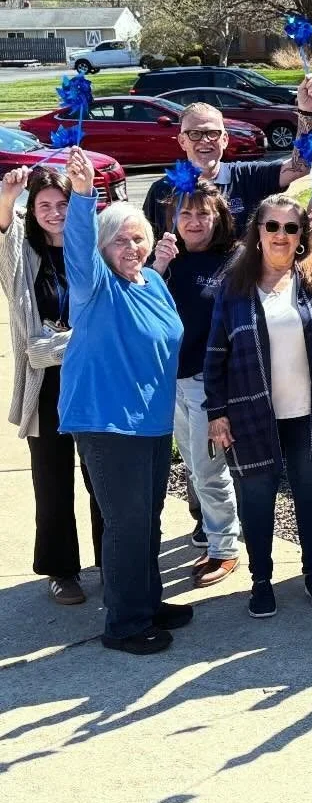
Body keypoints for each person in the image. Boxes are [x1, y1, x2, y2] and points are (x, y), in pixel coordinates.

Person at [205, 195, 312, 619]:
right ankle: (261, 580)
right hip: (251, 413)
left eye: (291, 228)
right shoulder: (234, 288)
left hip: (308, 413)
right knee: (257, 498)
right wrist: (215, 412)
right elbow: (216, 352)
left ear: (301, 236)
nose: (281, 235)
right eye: (272, 226)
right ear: (258, 232)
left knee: (311, 495)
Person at [60, 148, 186, 654]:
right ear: (102, 245)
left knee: (147, 521)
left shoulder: (152, 281)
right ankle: (124, 624)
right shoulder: (95, 287)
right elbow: (77, 250)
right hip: (108, 423)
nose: (131, 247)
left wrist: (156, 261)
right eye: (120, 239)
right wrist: (84, 195)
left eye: (139, 238)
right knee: (126, 524)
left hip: (152, 424)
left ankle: (148, 601)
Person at [0, 166, 103, 607]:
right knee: (52, 482)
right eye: (44, 205)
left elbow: (99, 323)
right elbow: (34, 352)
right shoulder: (24, 257)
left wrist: (53, 343)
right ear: (32, 210)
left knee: (102, 478)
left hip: (97, 385)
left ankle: (114, 562)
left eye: (63, 204)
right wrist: (6, 199)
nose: (55, 213)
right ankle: (62, 571)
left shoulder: (93, 249)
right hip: (46, 390)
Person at [149, 180, 241, 589]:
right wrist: (157, 269)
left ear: (218, 217)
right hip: (173, 382)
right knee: (194, 468)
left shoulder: (234, 262)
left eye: (203, 213)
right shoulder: (167, 262)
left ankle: (225, 547)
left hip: (211, 385)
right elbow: (143, 313)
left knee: (209, 471)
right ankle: (217, 533)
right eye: (185, 213)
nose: (194, 221)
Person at [142, 76, 312, 235]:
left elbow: (299, 167)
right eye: (195, 134)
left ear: (225, 139)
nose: (204, 141)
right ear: (182, 141)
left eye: (212, 133)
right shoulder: (162, 191)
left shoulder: (247, 176)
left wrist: (306, 112)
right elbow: (147, 243)